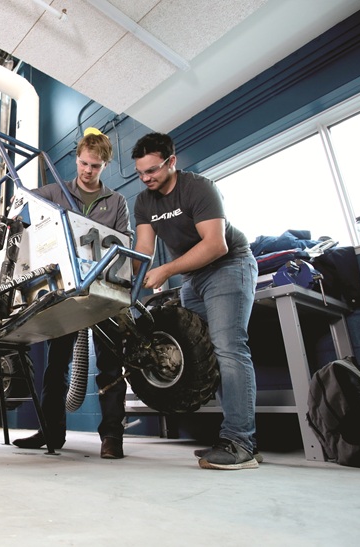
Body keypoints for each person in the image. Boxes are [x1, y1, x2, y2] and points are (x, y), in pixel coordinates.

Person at [130, 132, 260, 470]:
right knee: (204, 352)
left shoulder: (198, 188)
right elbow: (143, 251)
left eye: (153, 170)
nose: (147, 179)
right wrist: (119, 276)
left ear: (172, 161)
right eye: (140, 173)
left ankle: (240, 443)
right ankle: (234, 438)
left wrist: (165, 271)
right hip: (193, 278)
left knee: (229, 347)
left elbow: (216, 245)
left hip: (229, 265)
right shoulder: (145, 201)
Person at [13, 128, 132, 459]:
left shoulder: (117, 202)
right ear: (76, 159)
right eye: (83, 163)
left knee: (110, 365)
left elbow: (125, 242)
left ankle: (112, 438)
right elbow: (21, 199)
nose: (87, 171)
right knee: (56, 366)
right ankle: (51, 433)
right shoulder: (56, 191)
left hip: (105, 289)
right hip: (64, 291)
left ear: (105, 165)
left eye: (95, 166)